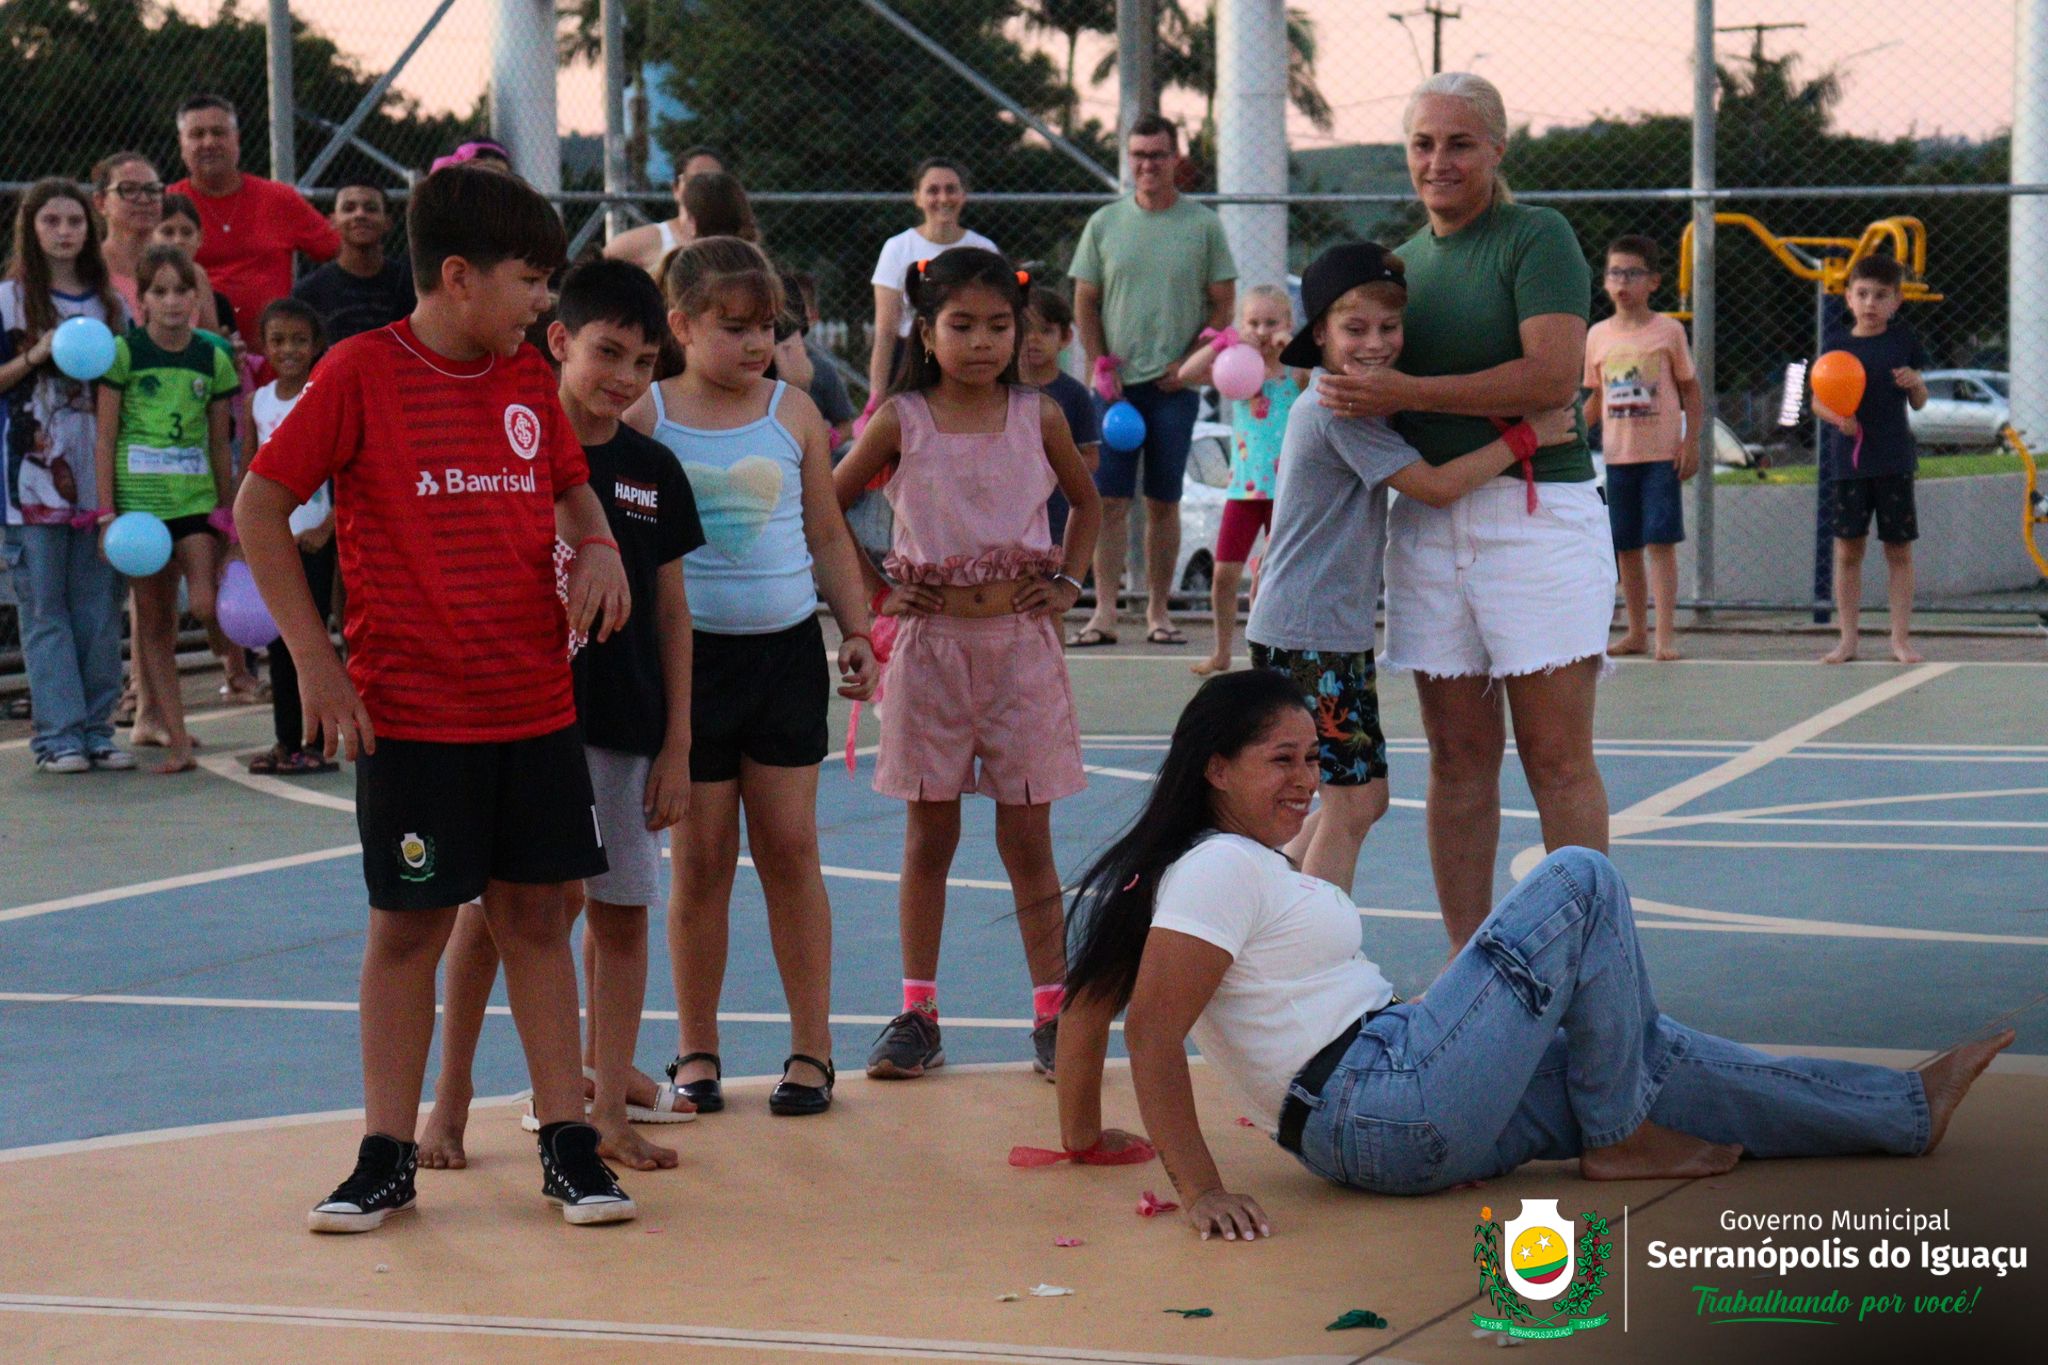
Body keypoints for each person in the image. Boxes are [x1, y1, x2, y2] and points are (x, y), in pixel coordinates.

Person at [1046, 670, 2015, 1238]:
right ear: (1215, 769)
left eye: (1311, 758)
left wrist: (1085, 1141)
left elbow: (1086, 1009)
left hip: (1391, 1107)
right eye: (1280, 761)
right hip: (1378, 1097)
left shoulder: (1232, 863)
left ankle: (1898, 1113)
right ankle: (1617, 1137)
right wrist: (1200, 1187)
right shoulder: (1214, 868)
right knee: (1579, 880)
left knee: (1642, 1052)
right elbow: (1152, 1036)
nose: (1305, 779)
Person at [234, 165, 638, 1231]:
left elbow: (569, 486)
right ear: (458, 278)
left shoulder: (520, 382)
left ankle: (567, 1143)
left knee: (537, 918)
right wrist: (317, 666)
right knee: (408, 930)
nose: (544, 304)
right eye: (529, 281)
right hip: (413, 711)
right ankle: (384, 1153)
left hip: (534, 702)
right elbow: (261, 508)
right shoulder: (363, 372)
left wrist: (595, 544)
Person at [420, 259, 705, 1173]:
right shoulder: (508, 444)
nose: (623, 376)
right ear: (559, 343)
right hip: (522, 720)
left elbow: (670, 613)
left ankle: (607, 1103)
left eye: (643, 360)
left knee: (622, 914)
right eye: (606, 352)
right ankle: (448, 1104)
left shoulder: (655, 470)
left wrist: (678, 742)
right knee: (490, 917)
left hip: (624, 730)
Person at [1316, 72, 1612, 953]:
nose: (1437, 161)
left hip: (1537, 516)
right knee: (1456, 765)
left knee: (1557, 761)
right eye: (1421, 144)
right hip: (1428, 525)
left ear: (1496, 148)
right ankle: (1469, 973)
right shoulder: (1401, 266)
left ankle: (1591, 972)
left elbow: (1553, 376)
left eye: (1458, 143)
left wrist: (1408, 389)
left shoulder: (1538, 236)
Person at [833, 250, 1101, 1082]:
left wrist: (1066, 582)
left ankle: (1052, 1012)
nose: (983, 342)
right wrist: (877, 590)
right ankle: (918, 1012)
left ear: (1020, 330)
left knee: (1029, 839)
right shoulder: (900, 418)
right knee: (929, 835)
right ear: (926, 329)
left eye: (998, 326)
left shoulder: (1041, 414)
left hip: (1020, 650)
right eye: (962, 325)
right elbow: (829, 503)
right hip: (930, 654)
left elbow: (1087, 503)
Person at [625, 236, 878, 1117]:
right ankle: (697, 1048)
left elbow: (825, 535)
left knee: (791, 849)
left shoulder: (795, 412)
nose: (753, 343)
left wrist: (857, 627)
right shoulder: (648, 414)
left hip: (781, 659)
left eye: (766, 326)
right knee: (698, 861)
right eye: (731, 327)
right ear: (682, 324)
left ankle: (813, 1045)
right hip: (688, 668)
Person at [1246, 244, 1573, 894]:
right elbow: (1434, 485)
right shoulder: (1340, 406)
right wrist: (1524, 437)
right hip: (1312, 634)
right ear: (1321, 335)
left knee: (1349, 801)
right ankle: (1310, 956)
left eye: (1388, 328)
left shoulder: (1352, 401)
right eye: (1355, 328)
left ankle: (1272, 909)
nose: (1375, 344)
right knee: (1355, 802)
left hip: (1315, 630)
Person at [1067, 116, 1236, 650]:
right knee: (1109, 502)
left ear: (1174, 159)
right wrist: (1100, 365)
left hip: (1173, 389)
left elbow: (1223, 302)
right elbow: (1084, 302)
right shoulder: (1104, 224)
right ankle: (1106, 614)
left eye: (1158, 155)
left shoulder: (1203, 225)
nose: (1147, 165)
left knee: (1164, 502)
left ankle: (1160, 612)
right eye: (1138, 154)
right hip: (1115, 391)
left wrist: (1187, 362)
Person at [0, 178, 132, 773]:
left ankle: (99, 729)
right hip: (27, 488)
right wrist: (35, 353)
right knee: (45, 609)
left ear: (89, 228)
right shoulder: (8, 300)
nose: (62, 231)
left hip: (99, 483)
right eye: (50, 221)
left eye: (74, 221)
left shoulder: (111, 306)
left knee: (98, 610)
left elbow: (126, 389)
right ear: (31, 228)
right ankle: (58, 738)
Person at [91, 244, 238, 775]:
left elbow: (221, 445)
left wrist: (229, 512)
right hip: (138, 515)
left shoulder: (213, 358)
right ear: (143, 300)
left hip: (195, 504)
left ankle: (238, 662)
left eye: (183, 290)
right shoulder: (124, 354)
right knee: (154, 626)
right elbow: (105, 439)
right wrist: (106, 514)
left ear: (197, 298)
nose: (173, 301)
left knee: (204, 603)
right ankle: (174, 738)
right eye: (160, 291)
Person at [155, 191, 267, 708]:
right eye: (167, 231)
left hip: (209, 450)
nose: (176, 240)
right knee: (152, 600)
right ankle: (150, 697)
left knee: (210, 586)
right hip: (156, 468)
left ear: (200, 239)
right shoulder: (149, 307)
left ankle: (238, 665)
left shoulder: (213, 300)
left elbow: (228, 366)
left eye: (185, 232)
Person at [1584, 235, 1701, 662]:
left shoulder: (1668, 331)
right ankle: (1635, 631)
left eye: (1632, 274)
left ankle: (1665, 635)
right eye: (1615, 273)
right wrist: (1573, 433)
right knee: (1626, 546)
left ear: (1653, 281)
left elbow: (1691, 391)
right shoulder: (1597, 335)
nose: (1622, 282)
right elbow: (1596, 397)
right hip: (1619, 458)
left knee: (1660, 543)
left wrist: (1691, 442)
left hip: (1660, 457)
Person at [1177, 284, 1304, 676]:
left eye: (1272, 322)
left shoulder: (1293, 370)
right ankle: (1221, 651)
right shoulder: (1238, 366)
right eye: (1253, 322)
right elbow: (1186, 374)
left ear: (1288, 324)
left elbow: (1312, 379)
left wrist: (1292, 347)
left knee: (1274, 575)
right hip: (1244, 489)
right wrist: (1223, 343)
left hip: (1286, 491)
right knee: (1224, 573)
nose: (1263, 331)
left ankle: (1276, 649)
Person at [1813, 254, 1931, 666]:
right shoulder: (1837, 345)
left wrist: (1917, 384)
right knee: (1848, 550)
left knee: (1898, 551)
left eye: (1881, 296)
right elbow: (1817, 400)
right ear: (1848, 297)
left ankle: (1900, 640)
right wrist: (1838, 418)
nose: (1870, 303)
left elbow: (1918, 401)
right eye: (1862, 294)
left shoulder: (1904, 342)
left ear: (1896, 301)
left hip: (1894, 460)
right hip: (1850, 465)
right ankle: (1848, 640)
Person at [166, 94, 340, 351]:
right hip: (192, 357)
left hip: (277, 362)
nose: (209, 142)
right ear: (182, 144)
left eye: (218, 132)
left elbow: (337, 250)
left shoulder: (280, 199)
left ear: (236, 140)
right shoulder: (166, 207)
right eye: (197, 134)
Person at [244, 298, 336, 775]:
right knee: (280, 643)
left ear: (317, 345)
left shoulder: (323, 393)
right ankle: (287, 741)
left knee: (311, 639)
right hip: (276, 540)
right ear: (264, 346)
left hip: (316, 541)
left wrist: (328, 526)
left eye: (300, 340)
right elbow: (250, 472)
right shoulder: (258, 401)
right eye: (278, 340)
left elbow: (347, 472)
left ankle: (317, 742)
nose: (289, 349)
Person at [862, 159, 997, 421]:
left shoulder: (984, 249)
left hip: (967, 357)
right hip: (911, 360)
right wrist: (877, 395)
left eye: (951, 189)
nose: (943, 198)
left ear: (963, 195)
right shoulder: (898, 247)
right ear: (917, 198)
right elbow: (886, 331)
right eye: (933, 190)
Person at [92, 151, 221, 335]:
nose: (144, 199)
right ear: (101, 202)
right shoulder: (87, 269)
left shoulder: (191, 273)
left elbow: (211, 349)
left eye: (152, 190)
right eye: (128, 190)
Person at [1018, 287, 1100, 549]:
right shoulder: (997, 392)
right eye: (1025, 329)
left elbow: (1091, 458)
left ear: (1065, 337)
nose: (1033, 339)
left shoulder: (1075, 395)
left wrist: (1052, 466)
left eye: (1045, 330)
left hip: (1056, 518)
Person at [292, 183, 417, 344]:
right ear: (333, 221)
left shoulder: (412, 285)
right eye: (349, 208)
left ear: (388, 222)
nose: (360, 215)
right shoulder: (308, 293)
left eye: (371, 208)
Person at [603, 146, 732, 277]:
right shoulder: (643, 242)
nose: (704, 189)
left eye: (715, 181)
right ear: (676, 189)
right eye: (695, 180)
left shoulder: (741, 245)